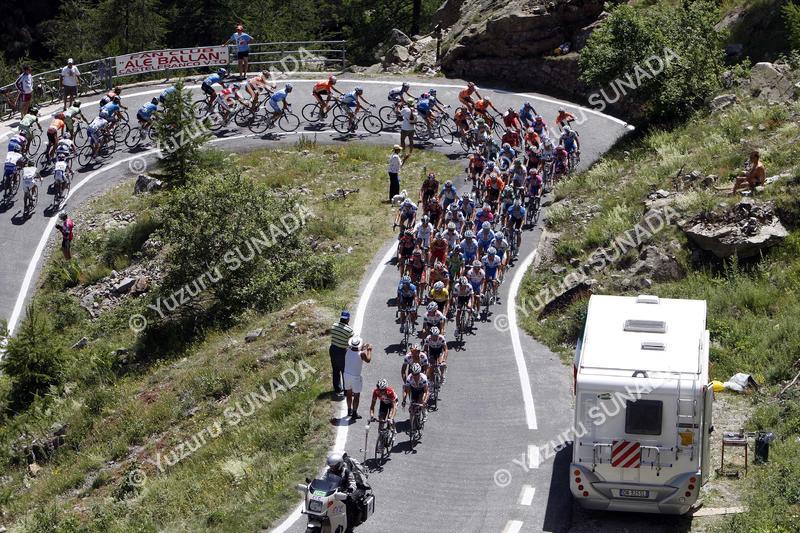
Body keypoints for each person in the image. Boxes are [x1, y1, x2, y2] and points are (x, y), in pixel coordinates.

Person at [344, 336, 373, 421]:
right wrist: (369, 350)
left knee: (349, 393)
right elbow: (368, 360)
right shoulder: (362, 354)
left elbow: (356, 349)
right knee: (356, 396)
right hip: (355, 377)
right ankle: (354, 413)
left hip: (346, 375)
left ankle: (349, 410)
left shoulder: (347, 350)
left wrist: (364, 347)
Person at [329, 310, 354, 398]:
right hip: (342, 351)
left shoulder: (334, 325)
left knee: (335, 370)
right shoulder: (349, 330)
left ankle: (337, 389)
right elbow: (351, 344)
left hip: (332, 349)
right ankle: (347, 391)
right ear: (348, 319)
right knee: (345, 371)